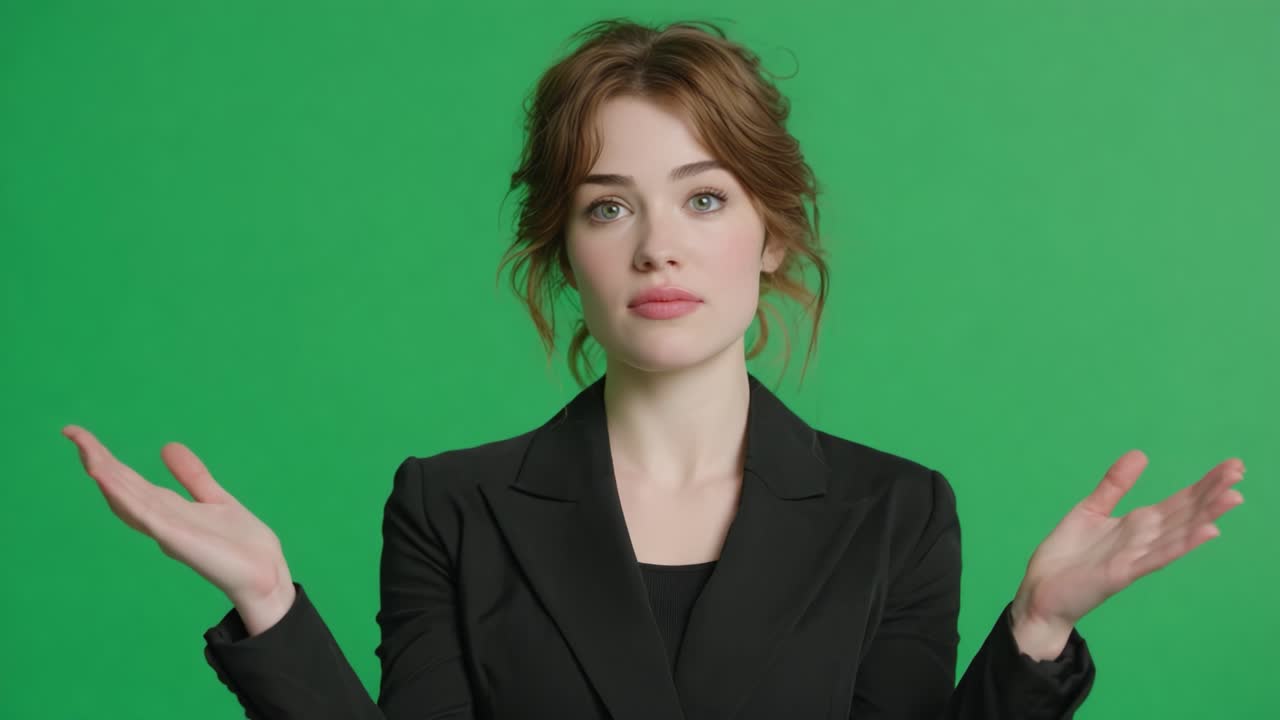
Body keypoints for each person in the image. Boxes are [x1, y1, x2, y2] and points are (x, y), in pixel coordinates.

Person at [62, 18, 1246, 720]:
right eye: (606, 205)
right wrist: (272, 607)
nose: (657, 244)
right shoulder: (450, 504)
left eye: (703, 197)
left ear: (770, 230)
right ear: (562, 251)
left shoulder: (894, 509)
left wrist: (1034, 629)